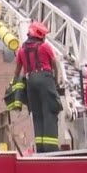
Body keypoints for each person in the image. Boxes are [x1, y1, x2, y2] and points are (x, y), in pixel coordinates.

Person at [12, 21, 63, 153]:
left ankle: (40, 148)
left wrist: (13, 86)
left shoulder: (21, 50)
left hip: (30, 83)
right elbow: (55, 64)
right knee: (50, 112)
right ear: (40, 34)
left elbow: (17, 71)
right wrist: (56, 82)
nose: (45, 37)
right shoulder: (45, 47)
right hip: (45, 80)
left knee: (37, 114)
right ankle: (51, 148)